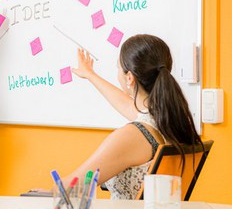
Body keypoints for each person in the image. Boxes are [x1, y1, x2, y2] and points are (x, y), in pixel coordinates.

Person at [61, 34, 203, 199]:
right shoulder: (168, 119)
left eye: (118, 68)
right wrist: (90, 75)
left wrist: (33, 195)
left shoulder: (133, 136)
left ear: (129, 77)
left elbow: (73, 186)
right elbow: (125, 103)